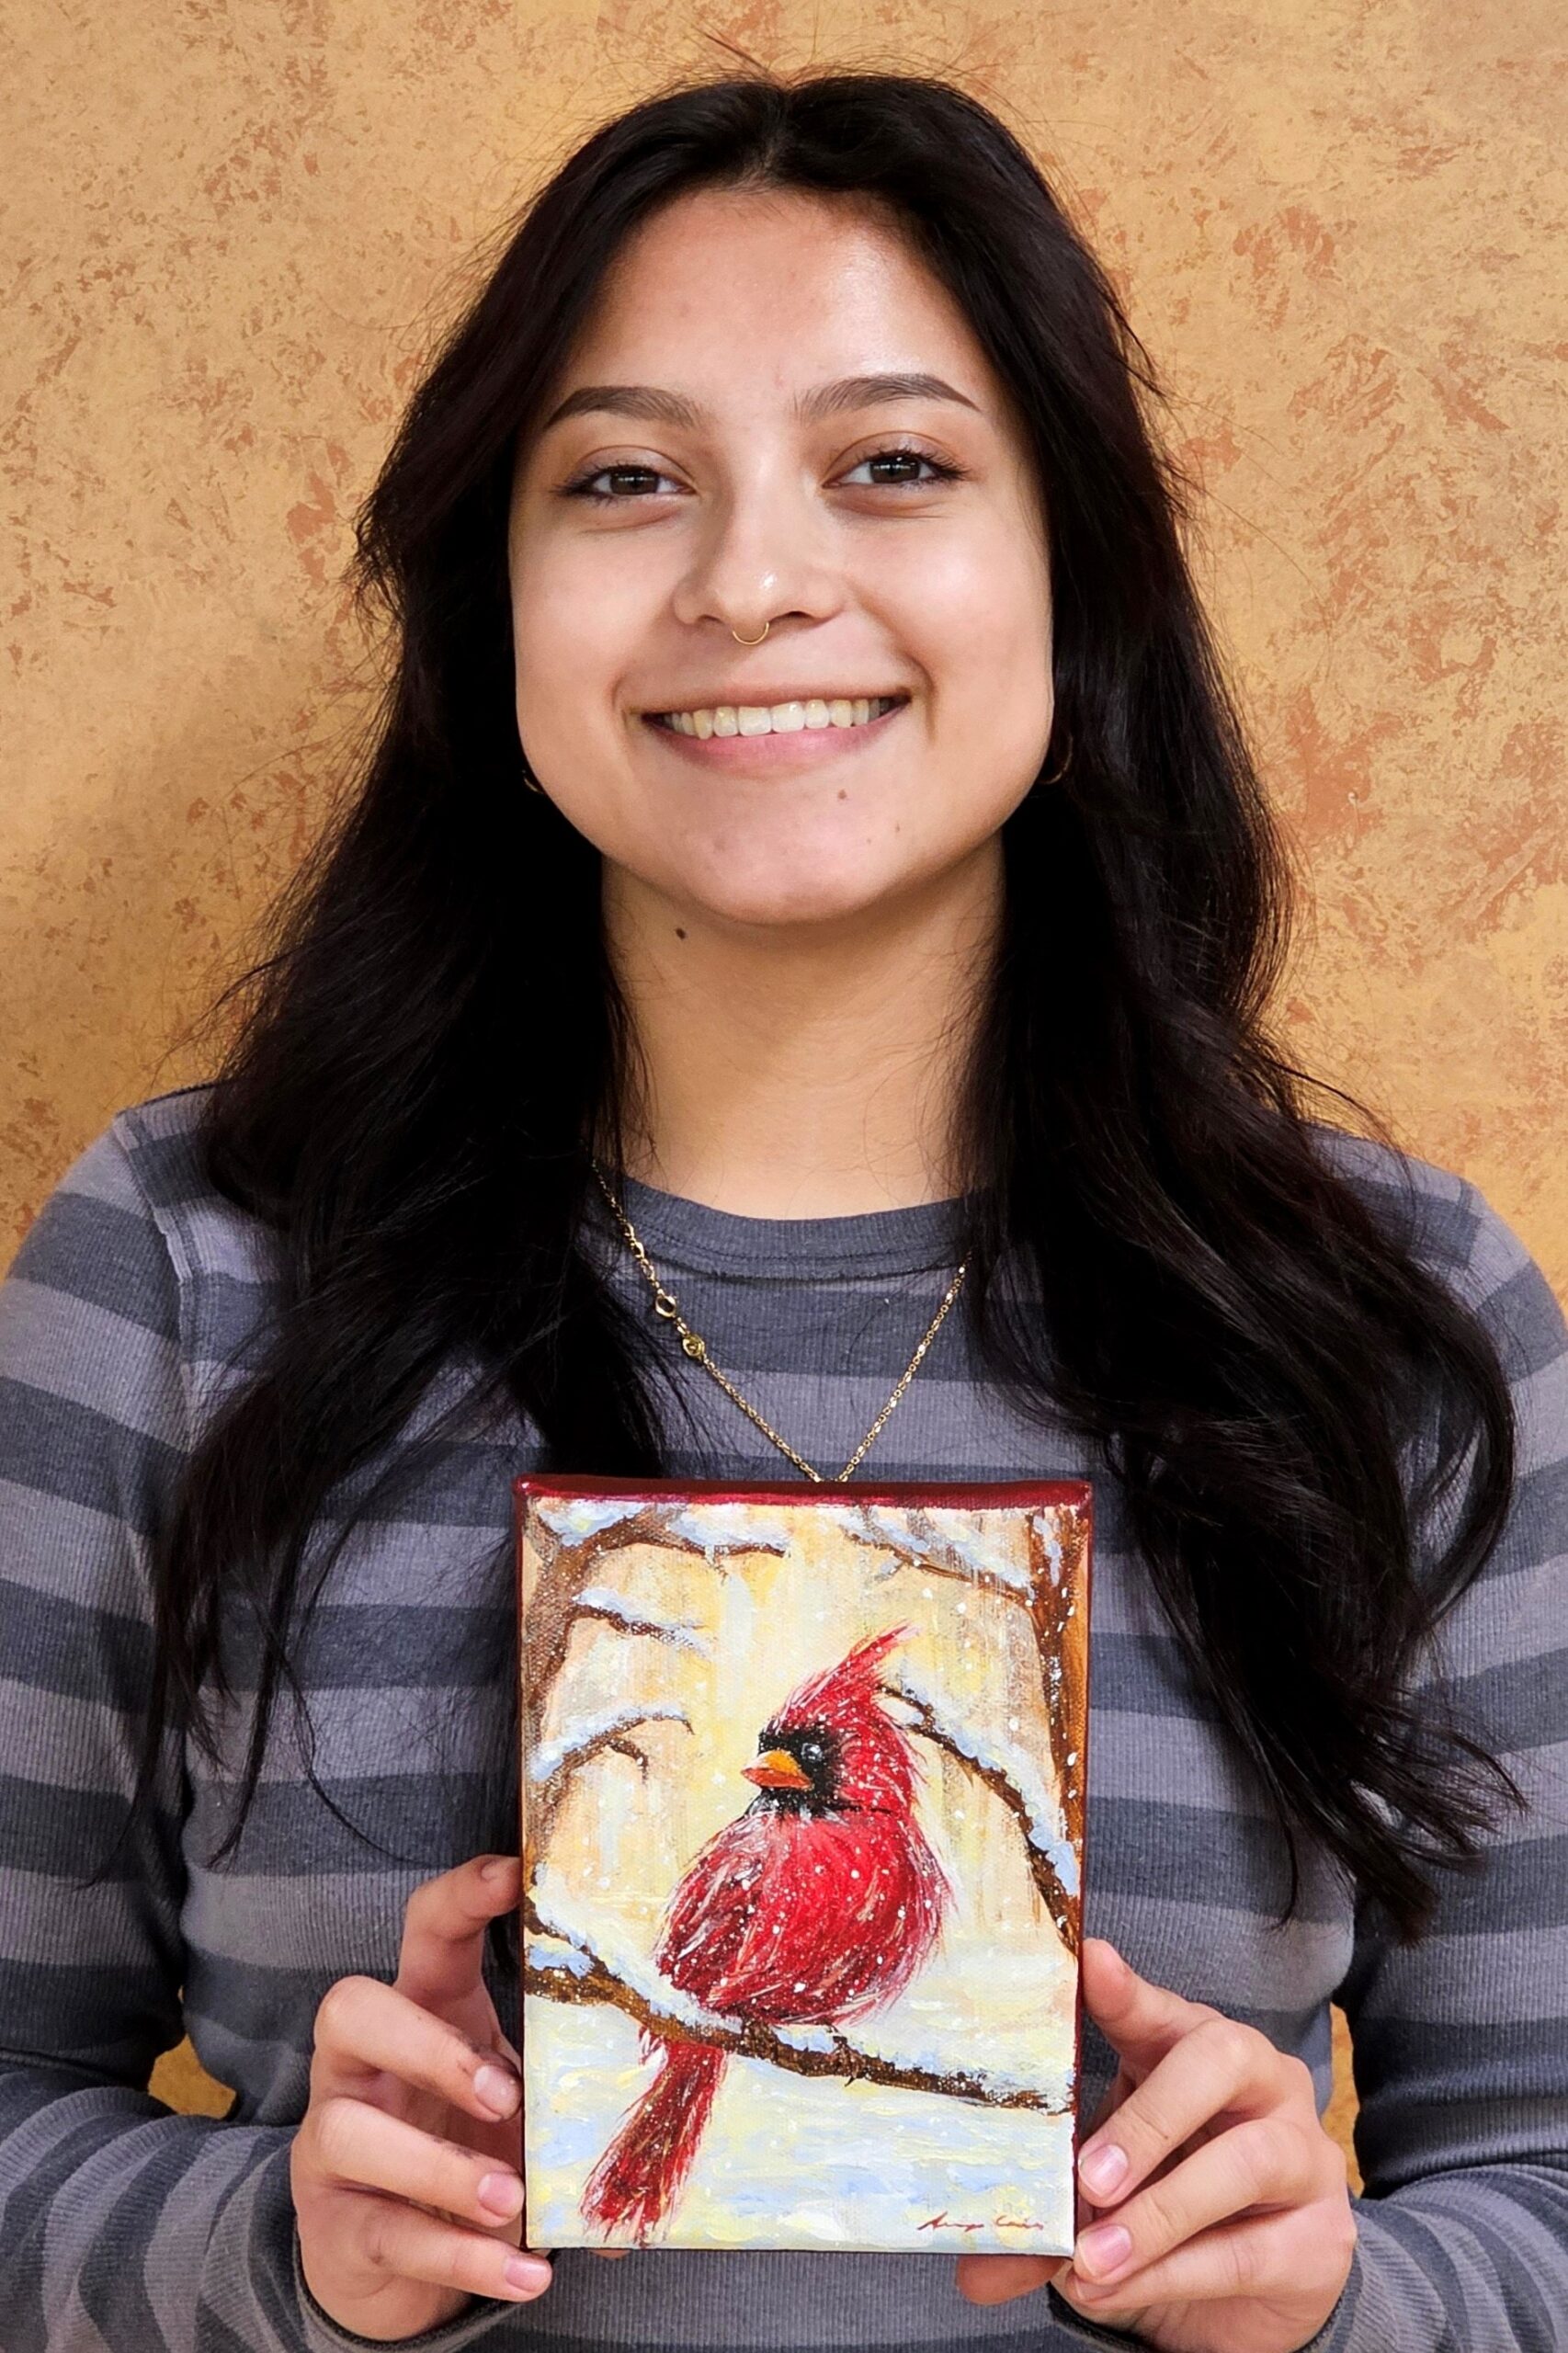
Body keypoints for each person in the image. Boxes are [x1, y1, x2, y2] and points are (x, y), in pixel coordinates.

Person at [0, 67, 1562, 2353]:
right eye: (624, 479)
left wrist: (1335, 2294)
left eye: (893, 466)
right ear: (491, 600)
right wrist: (285, 2252)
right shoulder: (185, 1261)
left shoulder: (1399, 1314)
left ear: (1078, 570)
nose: (753, 580)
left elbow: (1539, 2189)